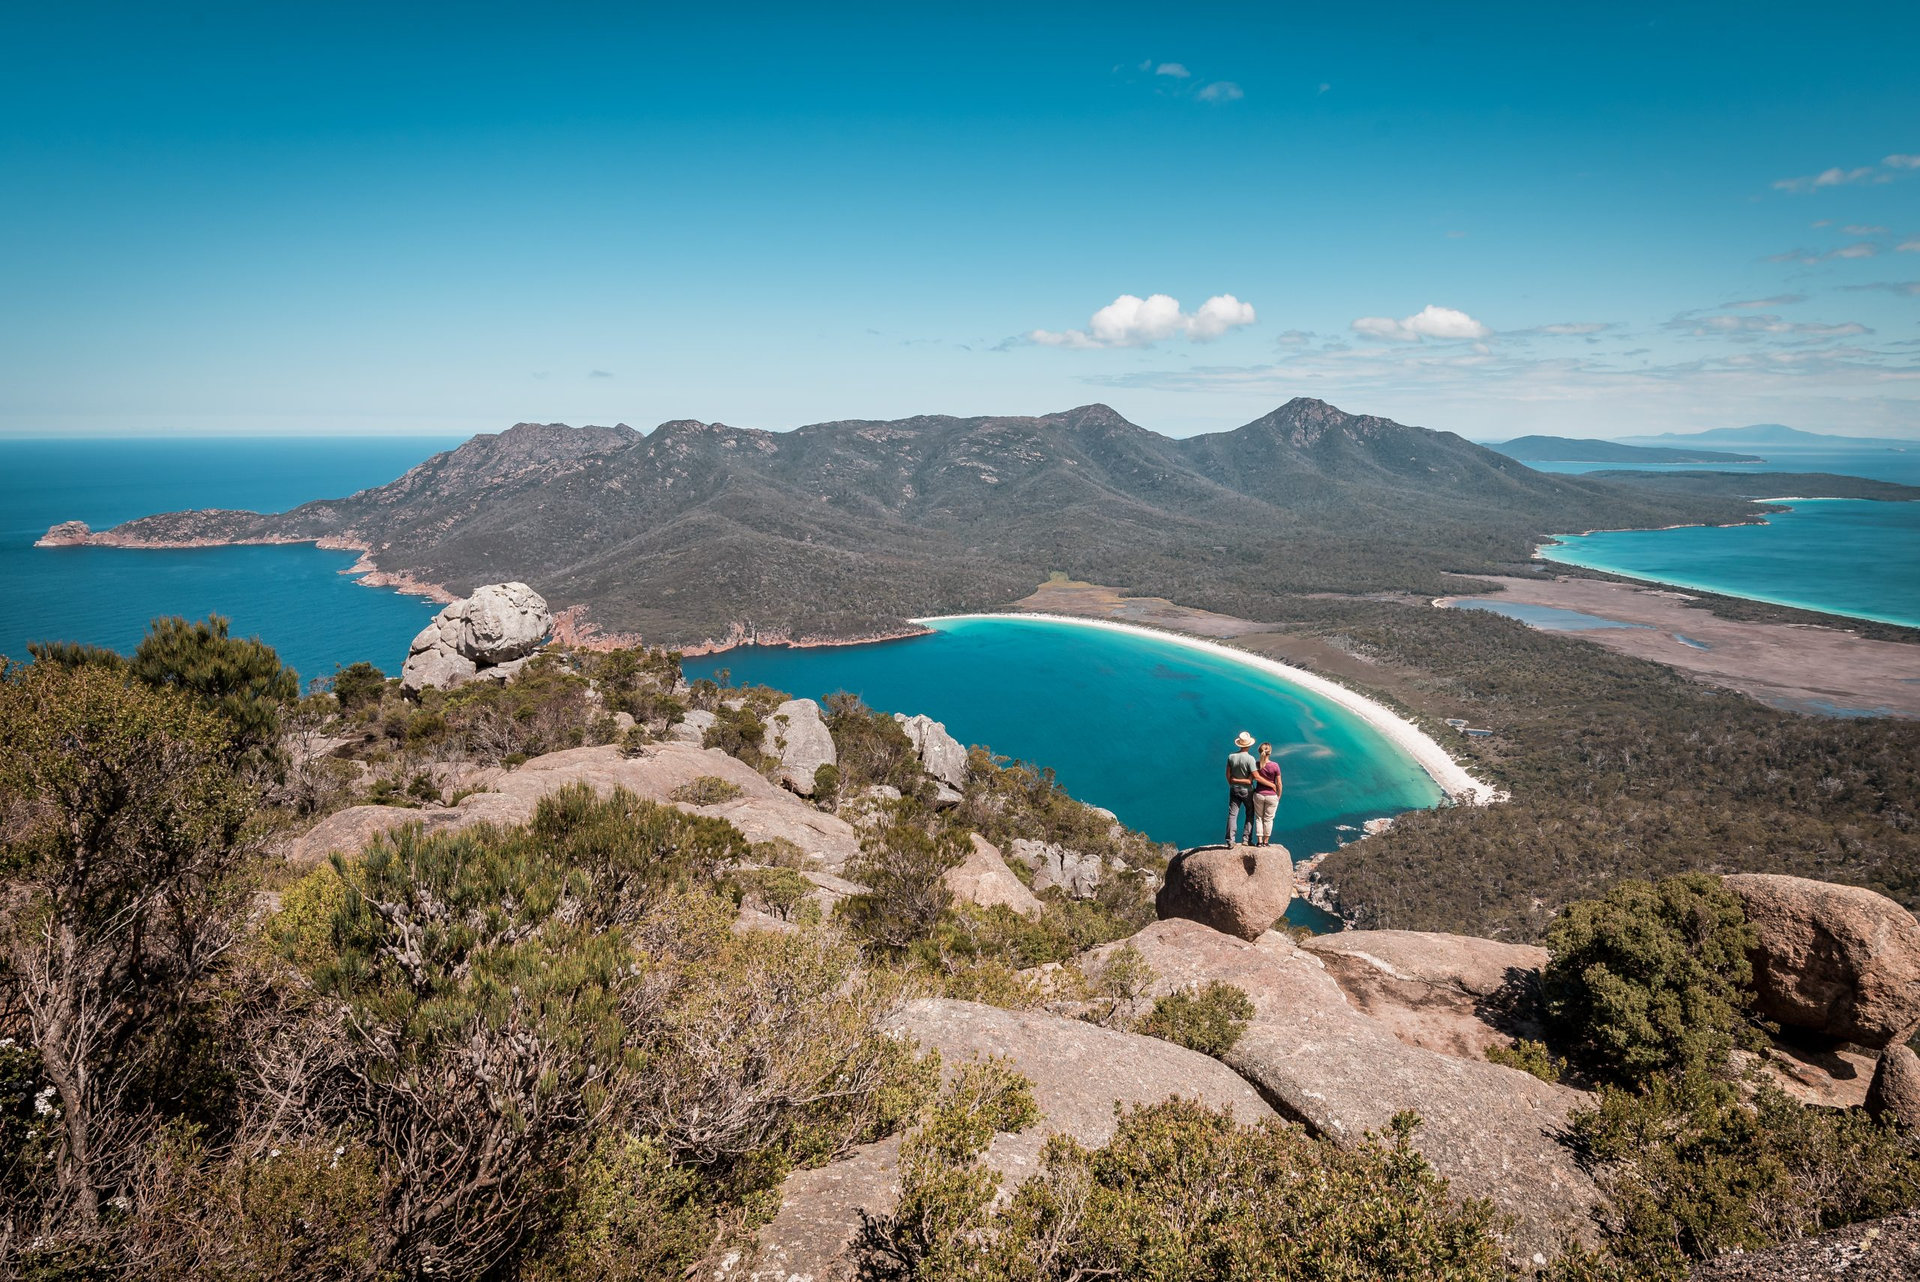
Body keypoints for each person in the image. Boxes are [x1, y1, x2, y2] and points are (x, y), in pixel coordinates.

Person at [1225, 731, 1258, 845]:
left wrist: (1232, 782)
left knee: (1232, 814)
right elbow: (1253, 776)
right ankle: (1246, 839)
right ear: (1248, 745)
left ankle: (1230, 840)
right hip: (1247, 790)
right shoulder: (1251, 759)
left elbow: (1228, 774)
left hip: (1234, 788)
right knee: (1249, 812)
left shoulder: (1231, 756)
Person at [1251, 742, 1283, 846]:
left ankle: (1259, 841)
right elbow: (1279, 783)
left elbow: (1252, 779)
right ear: (1270, 752)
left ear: (1260, 751)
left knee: (1259, 818)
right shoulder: (1275, 766)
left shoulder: (1256, 764)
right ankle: (1266, 842)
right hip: (1271, 796)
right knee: (1268, 819)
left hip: (1259, 794)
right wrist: (1278, 796)